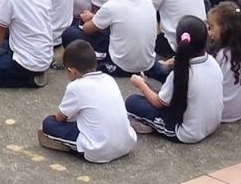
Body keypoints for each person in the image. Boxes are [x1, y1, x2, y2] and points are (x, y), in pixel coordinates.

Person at [125, 15, 224, 143]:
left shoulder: (182, 73)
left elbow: (158, 103)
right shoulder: (212, 61)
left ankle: (148, 124)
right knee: (158, 70)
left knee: (132, 102)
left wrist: (141, 84)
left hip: (187, 132)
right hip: (212, 124)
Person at [39, 40, 136, 163]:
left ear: (72, 71)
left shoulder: (76, 86)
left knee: (48, 123)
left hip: (99, 149)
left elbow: (60, 118)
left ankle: (72, 146)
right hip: (127, 143)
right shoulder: (109, 79)